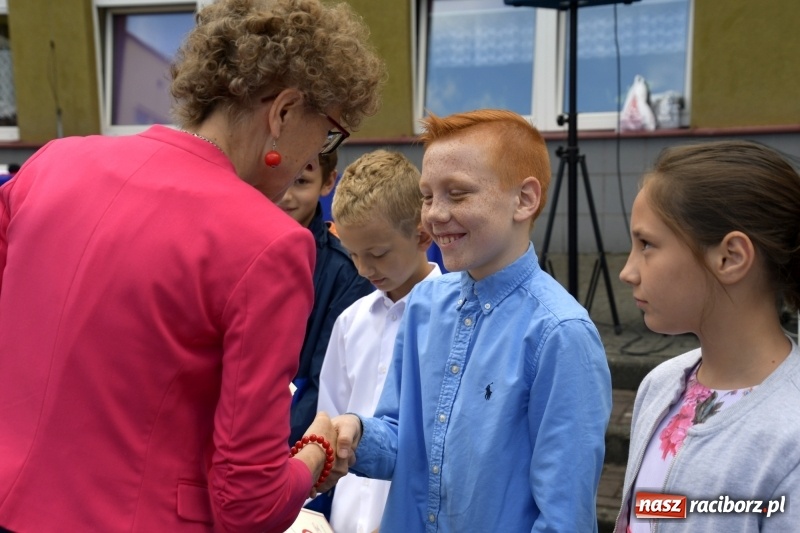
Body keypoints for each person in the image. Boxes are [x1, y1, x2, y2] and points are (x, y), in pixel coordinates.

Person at [0, 0, 384, 531]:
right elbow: (249, 505)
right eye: (329, 132)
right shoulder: (268, 242)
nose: (314, 154)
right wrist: (316, 448)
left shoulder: (54, 162)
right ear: (285, 111)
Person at [322, 109, 612, 532]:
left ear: (524, 200)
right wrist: (357, 433)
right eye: (427, 196)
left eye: (457, 194)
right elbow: (401, 440)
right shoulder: (424, 305)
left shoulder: (560, 334)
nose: (435, 214)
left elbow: (563, 514)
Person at [614, 140, 800, 533]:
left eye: (646, 244)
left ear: (730, 257)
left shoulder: (789, 437)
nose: (627, 272)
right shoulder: (661, 385)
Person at [317, 149, 441, 533]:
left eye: (377, 253)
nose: (364, 269)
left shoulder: (452, 322)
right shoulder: (350, 322)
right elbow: (330, 419)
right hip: (346, 518)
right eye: (353, 254)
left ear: (422, 235)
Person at [276, 150, 373, 520]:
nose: (286, 194)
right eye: (281, 178)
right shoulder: (236, 246)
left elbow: (324, 381)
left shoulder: (343, 271)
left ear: (327, 183)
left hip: (298, 443)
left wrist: (292, 453)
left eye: (301, 182)